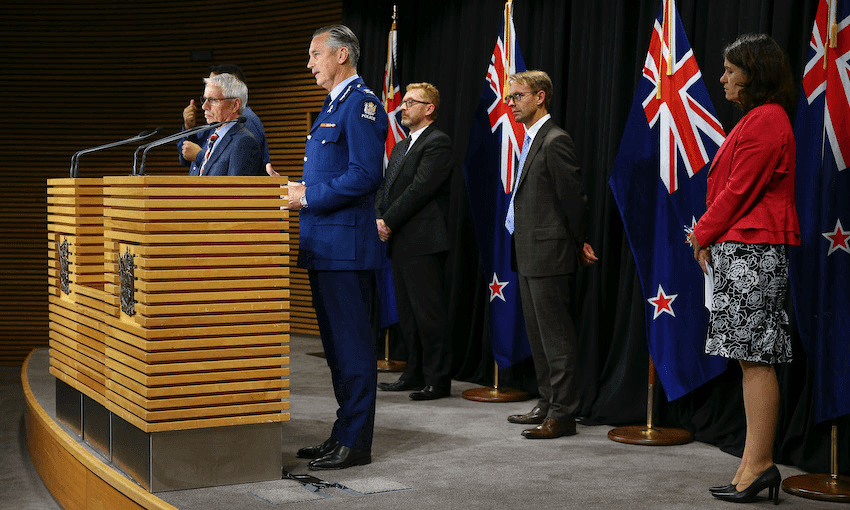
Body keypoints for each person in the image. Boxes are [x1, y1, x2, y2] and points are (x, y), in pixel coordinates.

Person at [267, 25, 387, 470]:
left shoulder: (363, 105)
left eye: (315, 54)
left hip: (347, 249)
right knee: (337, 351)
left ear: (341, 56)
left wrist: (309, 196)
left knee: (353, 349)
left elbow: (365, 175)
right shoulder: (332, 104)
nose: (309, 63)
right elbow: (333, 172)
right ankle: (343, 433)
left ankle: (356, 442)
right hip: (324, 246)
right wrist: (299, 186)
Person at [689, 34, 798, 505]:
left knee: (755, 358)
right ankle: (750, 464)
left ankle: (758, 465)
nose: (723, 77)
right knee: (749, 358)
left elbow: (738, 191)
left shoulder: (766, 121)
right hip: (743, 248)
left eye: (731, 70)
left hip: (753, 249)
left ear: (753, 74)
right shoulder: (758, 119)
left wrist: (701, 233)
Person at [503, 70, 597, 439]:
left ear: (540, 97)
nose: (511, 103)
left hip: (550, 252)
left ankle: (563, 414)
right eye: (510, 97)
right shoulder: (530, 139)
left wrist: (578, 241)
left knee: (556, 338)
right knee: (539, 337)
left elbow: (573, 198)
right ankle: (547, 402)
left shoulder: (555, 140)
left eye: (518, 96)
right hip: (527, 251)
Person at [375, 82, 453, 401]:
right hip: (399, 240)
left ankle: (438, 379)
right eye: (403, 101)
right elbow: (387, 186)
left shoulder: (438, 143)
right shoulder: (401, 146)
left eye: (410, 102)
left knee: (428, 313)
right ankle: (414, 372)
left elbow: (419, 190)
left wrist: (387, 220)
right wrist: (378, 215)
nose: (402, 107)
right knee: (407, 314)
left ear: (429, 108)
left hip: (423, 241)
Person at [179, 64, 270, 168]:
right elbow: (186, 158)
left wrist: (200, 156)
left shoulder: (245, 121)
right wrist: (189, 128)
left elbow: (240, 169)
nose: (204, 106)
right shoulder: (218, 119)